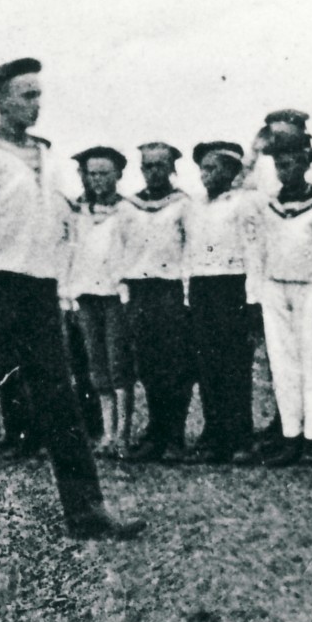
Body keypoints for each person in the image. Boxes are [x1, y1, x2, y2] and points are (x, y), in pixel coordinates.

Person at [0, 58, 143, 539]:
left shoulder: (47, 156)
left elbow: (60, 222)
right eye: (25, 95)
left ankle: (85, 509)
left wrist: (60, 284)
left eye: (39, 94)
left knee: (60, 398)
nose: (36, 104)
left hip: (38, 290)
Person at [246, 124, 312, 466]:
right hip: (275, 288)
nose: (286, 171)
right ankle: (291, 435)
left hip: (310, 289)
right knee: (283, 365)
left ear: (305, 164)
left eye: (292, 164)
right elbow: (258, 252)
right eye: (280, 165)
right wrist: (255, 297)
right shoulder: (269, 204)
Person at [184, 141, 260, 464]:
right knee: (207, 363)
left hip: (234, 286)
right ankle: (213, 433)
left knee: (234, 364)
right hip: (202, 286)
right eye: (203, 168)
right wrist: (188, 293)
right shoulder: (194, 205)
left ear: (231, 171)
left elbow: (254, 250)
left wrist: (253, 298)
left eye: (213, 168)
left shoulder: (245, 203)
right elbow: (189, 250)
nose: (206, 175)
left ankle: (240, 435)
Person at [119, 143, 196, 462]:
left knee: (175, 366)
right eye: (148, 166)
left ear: (172, 168)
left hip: (171, 291)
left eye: (160, 165)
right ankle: (155, 432)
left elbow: (191, 249)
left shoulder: (183, 204)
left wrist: (188, 296)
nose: (153, 172)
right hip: (139, 291)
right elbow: (120, 250)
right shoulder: (129, 205)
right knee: (148, 365)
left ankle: (174, 436)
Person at [63, 146, 133, 455]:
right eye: (92, 174)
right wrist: (70, 296)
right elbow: (71, 253)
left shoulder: (129, 210)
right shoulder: (78, 212)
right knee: (97, 367)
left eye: (104, 173)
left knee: (118, 365)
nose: (98, 180)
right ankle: (106, 433)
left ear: (118, 174)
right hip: (86, 295)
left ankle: (123, 435)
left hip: (116, 296)